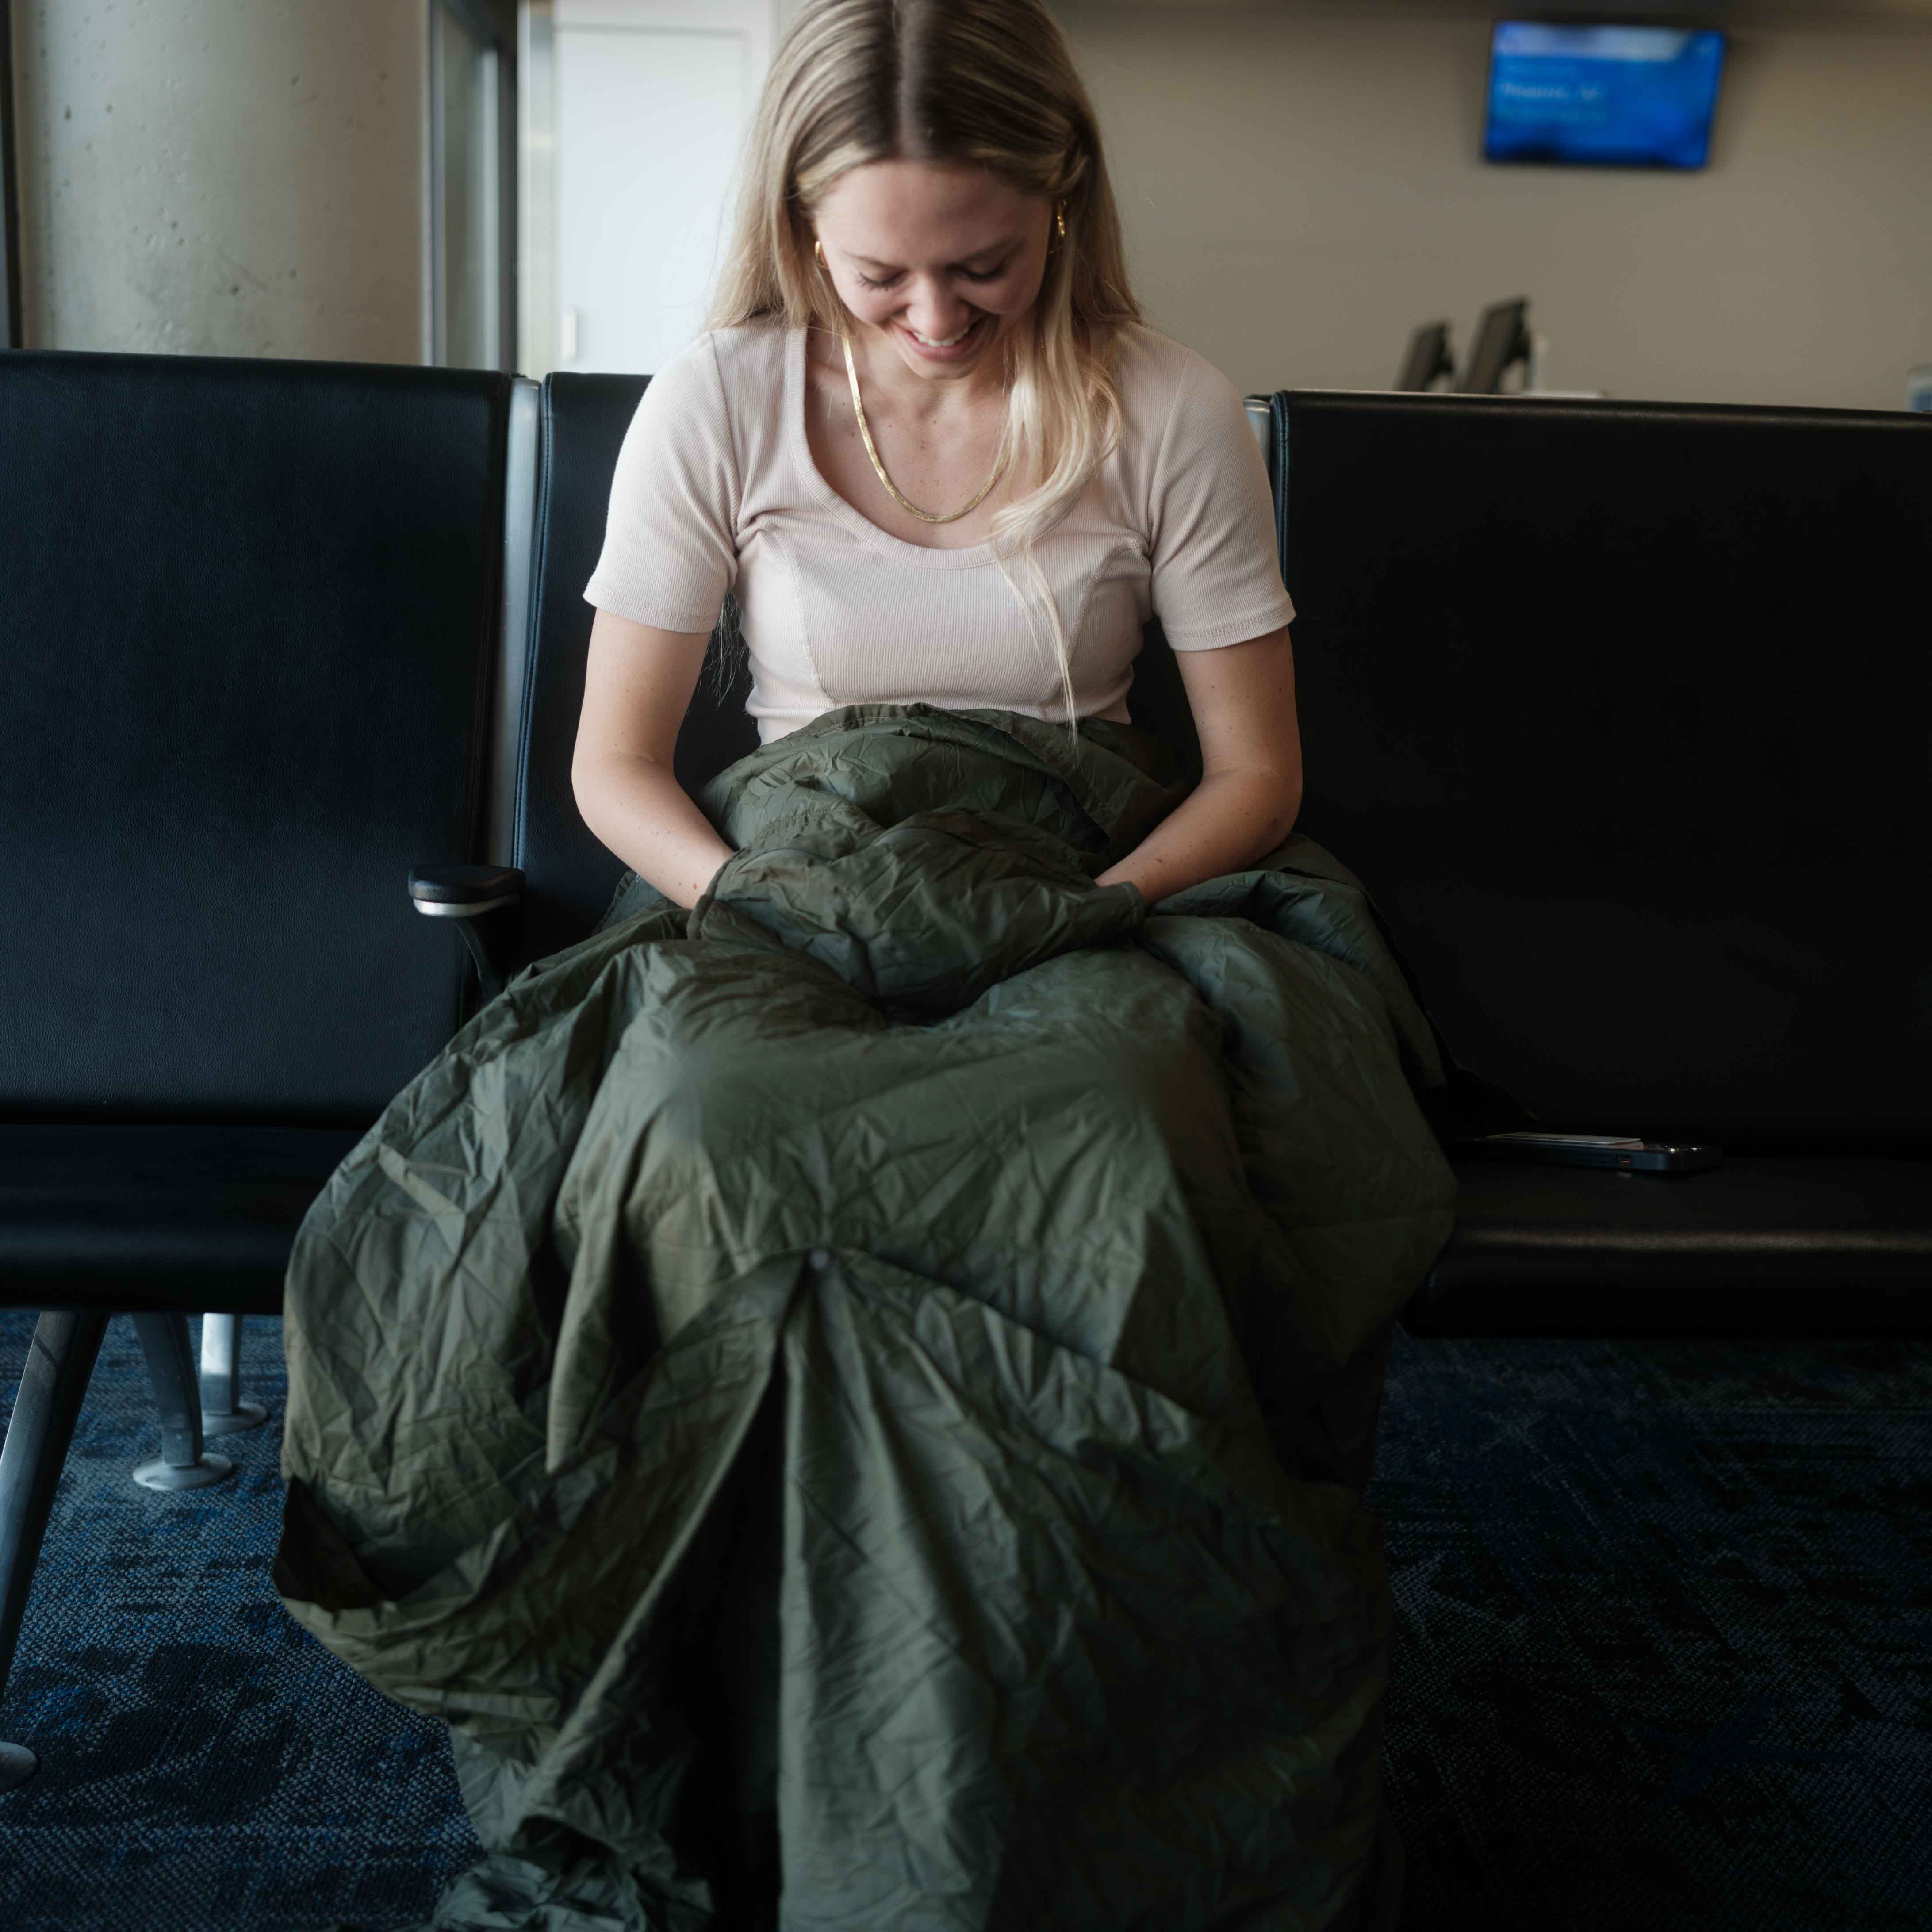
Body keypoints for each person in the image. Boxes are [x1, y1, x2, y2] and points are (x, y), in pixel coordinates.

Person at [274, 5, 1454, 1928]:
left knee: (1106, 1137)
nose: (932, 316)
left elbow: (1256, 779)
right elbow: (614, 771)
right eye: (878, 272)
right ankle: (747, 1758)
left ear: (1063, 201)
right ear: (799, 229)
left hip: (1081, 869)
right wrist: (764, 903)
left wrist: (1093, 908)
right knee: (704, 1137)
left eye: (980, 266)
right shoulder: (724, 396)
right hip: (784, 867)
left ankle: (1040, 1761)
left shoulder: (1168, 406)